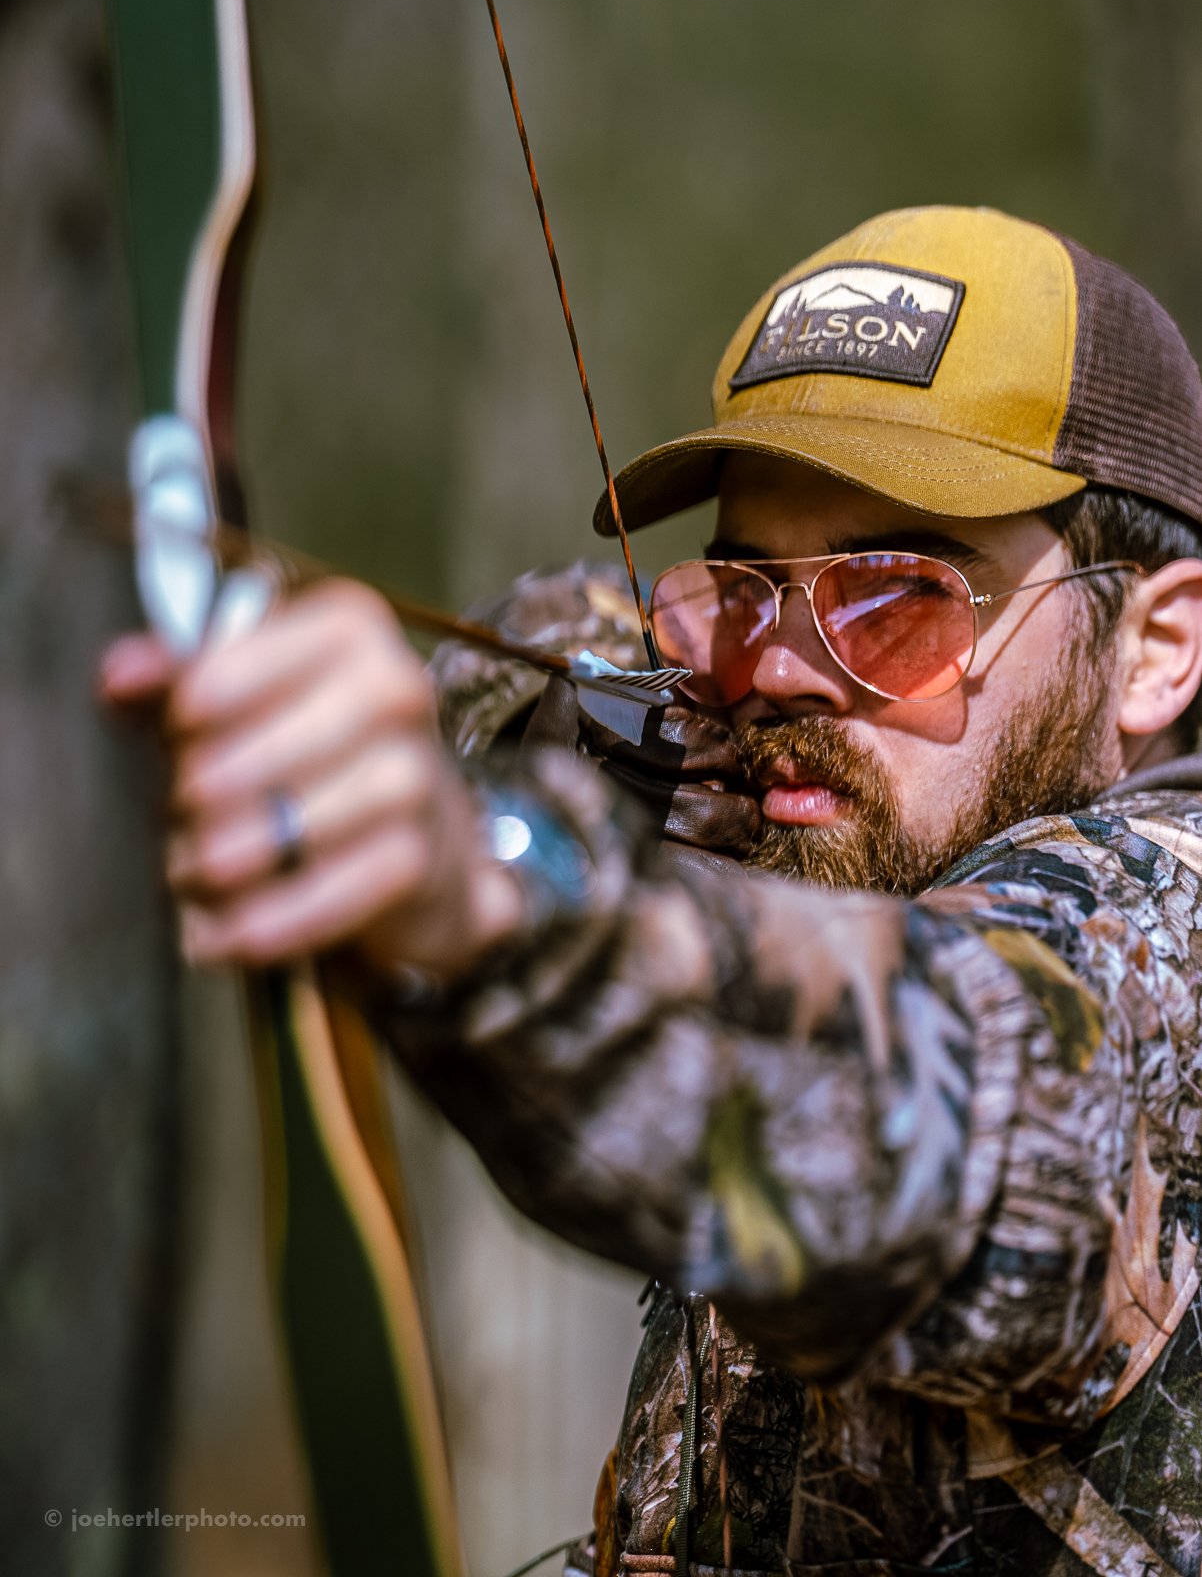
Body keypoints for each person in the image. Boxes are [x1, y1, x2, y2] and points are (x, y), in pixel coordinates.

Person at [102, 205, 1202, 1577]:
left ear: (1155, 649)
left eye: (898, 597)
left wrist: (493, 892)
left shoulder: (1150, 930)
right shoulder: (786, 789)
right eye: (745, 591)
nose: (778, 674)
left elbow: (937, 1080)